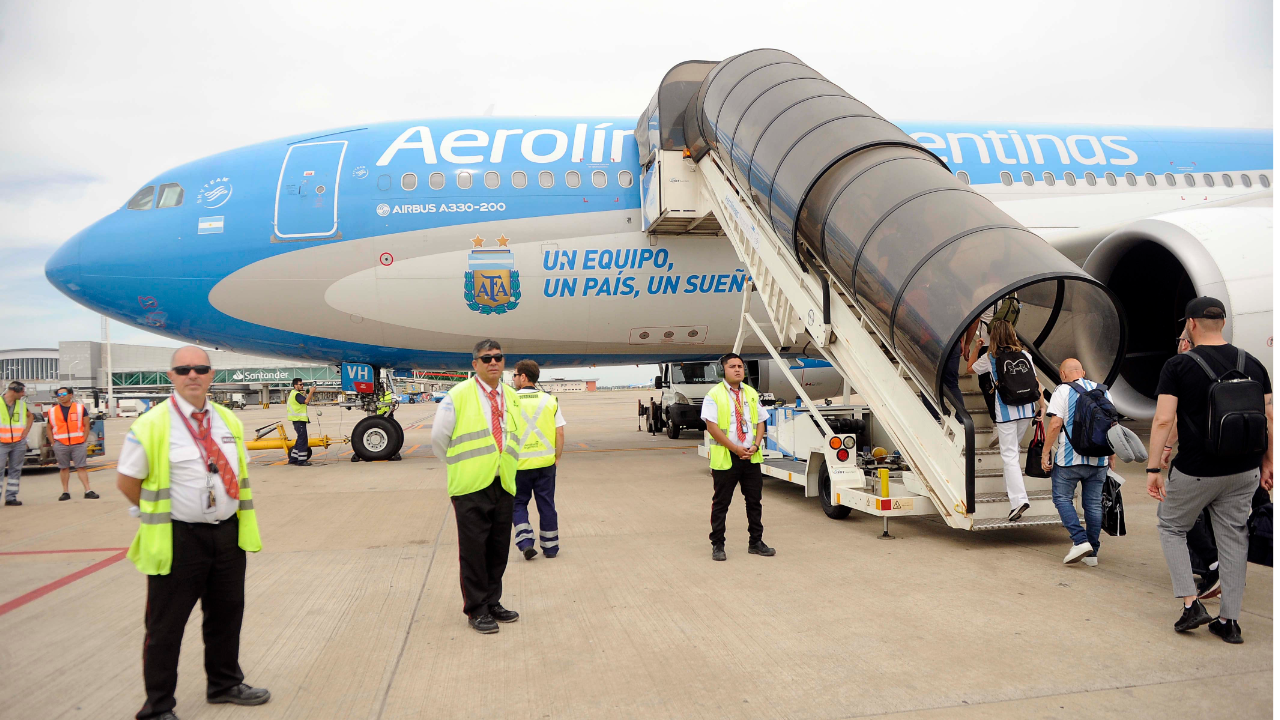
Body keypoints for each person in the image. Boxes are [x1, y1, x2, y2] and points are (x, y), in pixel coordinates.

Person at [115, 346, 268, 719]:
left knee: (227, 615)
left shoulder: (229, 420)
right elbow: (126, 481)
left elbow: (237, 472)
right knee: (166, 626)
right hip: (178, 539)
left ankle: (225, 683)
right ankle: (157, 706)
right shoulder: (152, 424)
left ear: (211, 374)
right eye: (183, 369)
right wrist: (149, 512)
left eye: (200, 368)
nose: (192, 375)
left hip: (228, 536)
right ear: (172, 376)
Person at [1147, 296, 1272, 644]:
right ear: (1223, 323)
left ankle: (1191, 605)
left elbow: (1162, 420)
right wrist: (1267, 465)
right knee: (1234, 539)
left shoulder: (1179, 366)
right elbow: (1269, 420)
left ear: (1192, 324)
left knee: (1171, 525)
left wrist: (1154, 467)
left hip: (1197, 469)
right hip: (1244, 469)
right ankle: (1229, 622)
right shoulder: (1254, 364)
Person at [430, 339, 523, 634]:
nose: (493, 362)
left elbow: (516, 435)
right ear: (475, 364)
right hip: (470, 486)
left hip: (503, 482)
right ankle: (476, 609)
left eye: (498, 357)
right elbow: (438, 440)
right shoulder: (457, 396)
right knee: (474, 551)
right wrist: (461, 466)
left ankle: (493, 602)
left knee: (498, 549)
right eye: (486, 358)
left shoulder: (512, 396)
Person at [701, 352, 775, 561]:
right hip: (727, 458)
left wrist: (756, 444)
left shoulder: (751, 393)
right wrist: (735, 448)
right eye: (732, 366)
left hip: (750, 457)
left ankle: (756, 542)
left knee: (754, 501)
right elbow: (712, 427)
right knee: (721, 503)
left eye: (740, 366)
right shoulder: (713, 395)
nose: (737, 369)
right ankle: (718, 545)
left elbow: (760, 421)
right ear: (722, 370)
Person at [1040, 359, 1113, 565]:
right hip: (1099, 459)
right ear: (1083, 371)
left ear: (1062, 374)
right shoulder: (1103, 391)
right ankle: (1093, 554)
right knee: (1092, 504)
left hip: (1070, 458)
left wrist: (1046, 452)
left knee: (1062, 498)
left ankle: (1080, 541)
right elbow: (1113, 425)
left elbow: (1055, 424)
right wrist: (1111, 455)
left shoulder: (1062, 391)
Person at [1167, 330, 1222, 600]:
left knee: (1174, 519)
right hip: (1233, 460)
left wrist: (1163, 451)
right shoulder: (1233, 362)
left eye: (1179, 340)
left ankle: (1194, 594)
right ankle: (1228, 618)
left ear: (1187, 341)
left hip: (1195, 463)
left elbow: (1171, 419)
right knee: (1224, 523)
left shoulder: (1181, 368)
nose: (1178, 344)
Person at [987, 319, 1047, 522]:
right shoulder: (1026, 355)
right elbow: (1036, 382)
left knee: (1010, 455)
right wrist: (1043, 406)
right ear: (1013, 335)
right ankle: (1012, 490)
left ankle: (1018, 500)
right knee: (1014, 451)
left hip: (1006, 412)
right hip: (1027, 409)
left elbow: (971, 370)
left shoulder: (991, 358)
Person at [510, 359, 566, 560]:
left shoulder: (509, 400)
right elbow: (560, 433)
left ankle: (525, 542)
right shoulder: (550, 401)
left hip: (518, 465)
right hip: (545, 464)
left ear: (523, 377)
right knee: (547, 505)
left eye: (515, 375)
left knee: (517, 504)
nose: (513, 379)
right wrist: (556, 457)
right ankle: (550, 548)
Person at [47, 387, 99, 500]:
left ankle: (88, 490)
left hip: (78, 443)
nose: (61, 396)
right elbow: (49, 428)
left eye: (64, 393)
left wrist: (84, 439)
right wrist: (53, 443)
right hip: (60, 443)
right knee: (64, 468)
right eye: (59, 395)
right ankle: (65, 492)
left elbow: (86, 425)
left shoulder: (80, 408)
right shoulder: (52, 411)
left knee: (81, 467)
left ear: (71, 395)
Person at [1, 381, 33, 506]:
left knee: (15, 470)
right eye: (22, 391)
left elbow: (30, 416)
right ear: (15, 390)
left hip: (18, 442)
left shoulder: (21, 405)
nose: (23, 394)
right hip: (2, 442)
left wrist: (26, 431)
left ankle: (11, 497)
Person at [286, 378, 315, 466]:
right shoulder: (296, 394)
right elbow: (306, 401)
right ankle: (302, 461)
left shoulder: (293, 393)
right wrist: (311, 392)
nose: (302, 386)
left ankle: (293, 459)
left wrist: (306, 392)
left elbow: (302, 399)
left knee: (299, 439)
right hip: (299, 420)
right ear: (295, 386)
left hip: (297, 420)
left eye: (302, 384)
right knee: (302, 440)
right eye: (300, 384)